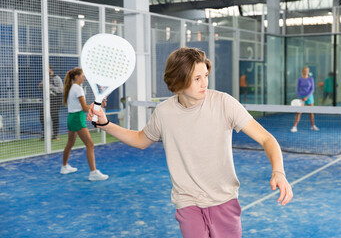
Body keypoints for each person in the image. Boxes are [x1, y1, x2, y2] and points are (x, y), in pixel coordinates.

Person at [88, 47, 293, 237]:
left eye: (205, 76)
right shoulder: (163, 113)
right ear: (178, 81)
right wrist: (105, 124)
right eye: (197, 78)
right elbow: (141, 140)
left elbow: (267, 138)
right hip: (187, 203)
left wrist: (279, 171)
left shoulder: (224, 103)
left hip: (224, 200)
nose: (204, 83)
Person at [61, 67, 108, 181]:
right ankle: (93, 173)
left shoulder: (72, 88)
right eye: (82, 76)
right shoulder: (78, 89)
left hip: (71, 118)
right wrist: (99, 105)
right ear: (77, 77)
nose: (84, 77)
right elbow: (85, 108)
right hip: (77, 117)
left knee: (70, 143)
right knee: (90, 145)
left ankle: (64, 166)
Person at [291, 66, 319, 133]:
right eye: (304, 70)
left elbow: (312, 89)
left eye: (307, 70)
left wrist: (307, 96)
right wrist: (300, 96)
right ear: (302, 71)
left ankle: (312, 126)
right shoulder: (299, 79)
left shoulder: (311, 79)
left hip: (309, 97)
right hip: (301, 97)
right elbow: (298, 89)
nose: (305, 72)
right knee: (299, 112)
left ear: (308, 72)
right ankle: (294, 127)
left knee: (311, 112)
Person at [39, 65, 63, 141]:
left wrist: (50, 86)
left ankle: (55, 134)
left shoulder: (57, 78)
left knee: (54, 116)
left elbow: (61, 90)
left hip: (55, 100)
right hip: (46, 99)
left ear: (51, 70)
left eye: (48, 70)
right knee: (42, 116)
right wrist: (41, 86)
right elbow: (42, 89)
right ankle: (45, 133)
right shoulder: (45, 78)